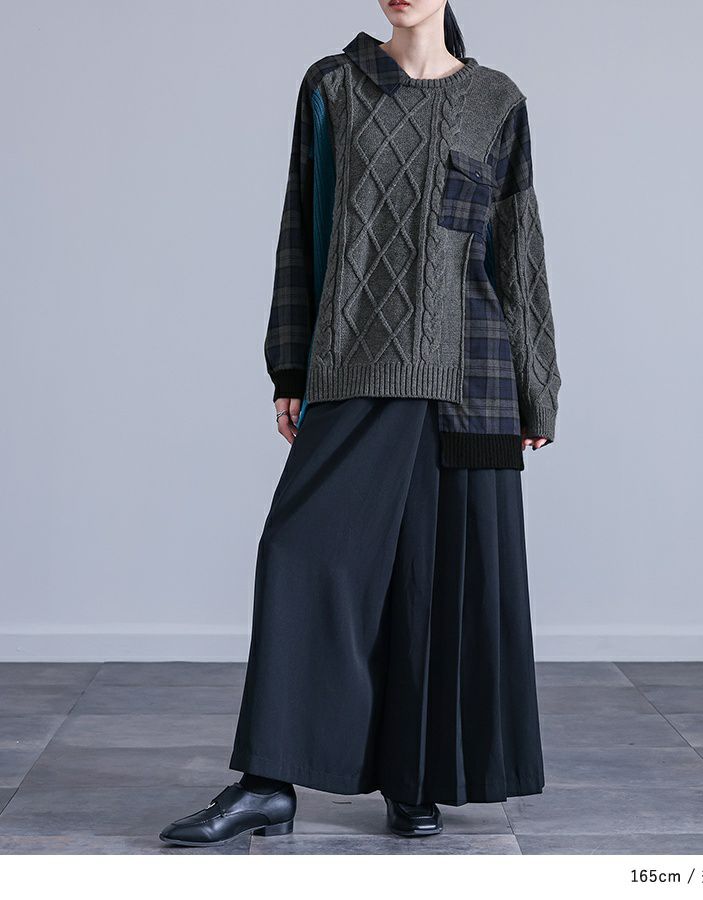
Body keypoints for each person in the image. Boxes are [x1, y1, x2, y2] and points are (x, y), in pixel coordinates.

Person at [159, 0, 561, 847]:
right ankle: (267, 783)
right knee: (298, 553)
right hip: (358, 359)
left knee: (430, 582)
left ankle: (414, 782)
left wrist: (537, 384)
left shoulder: (497, 100)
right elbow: (301, 227)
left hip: (471, 375)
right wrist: (291, 363)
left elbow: (516, 247)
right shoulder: (332, 86)